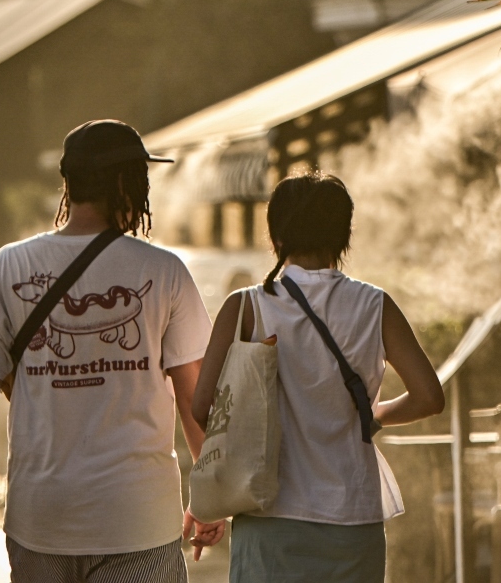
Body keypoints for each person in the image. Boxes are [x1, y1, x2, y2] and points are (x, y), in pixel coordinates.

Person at [0, 120, 224, 581]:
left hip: (42, 522)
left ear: (68, 184)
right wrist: (211, 495)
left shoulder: (10, 265)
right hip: (139, 524)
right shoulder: (165, 271)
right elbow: (194, 395)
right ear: (122, 183)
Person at [191, 172, 445, 582]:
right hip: (353, 517)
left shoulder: (245, 309)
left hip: (269, 515)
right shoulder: (375, 305)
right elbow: (429, 398)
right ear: (343, 235)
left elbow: (201, 407)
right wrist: (372, 416)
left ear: (275, 236)